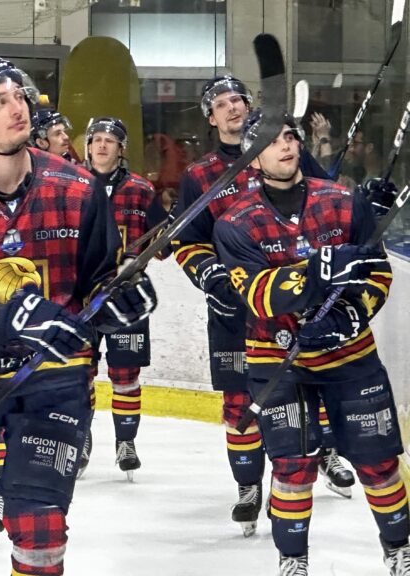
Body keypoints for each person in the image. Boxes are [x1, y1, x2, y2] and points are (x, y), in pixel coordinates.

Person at [0, 57, 156, 575]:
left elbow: (98, 280)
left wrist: (122, 297)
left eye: (19, 95)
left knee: (39, 531)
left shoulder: (80, 189)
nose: (17, 107)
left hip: (51, 381)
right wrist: (15, 319)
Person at [214, 109, 409, 575]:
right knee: (292, 469)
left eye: (288, 136)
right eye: (269, 141)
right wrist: (317, 271)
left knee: (379, 464)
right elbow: (258, 297)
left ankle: (399, 550)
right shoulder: (235, 222)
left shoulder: (343, 200)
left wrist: (353, 311)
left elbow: (376, 270)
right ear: (252, 158)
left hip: (351, 356)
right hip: (279, 360)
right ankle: (293, 560)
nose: (284, 145)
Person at [172, 75, 353, 538]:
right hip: (236, 314)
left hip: (294, 309)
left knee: (307, 396)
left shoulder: (284, 147)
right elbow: (188, 243)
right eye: (222, 103)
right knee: (240, 405)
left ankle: (314, 461)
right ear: (210, 118)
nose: (233, 107)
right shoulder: (200, 175)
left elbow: (327, 203)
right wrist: (209, 274)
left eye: (239, 99)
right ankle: (248, 485)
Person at [84, 116, 166, 480]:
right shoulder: (71, 185)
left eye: (110, 140)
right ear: (87, 146)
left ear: (122, 148)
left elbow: (164, 245)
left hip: (127, 297)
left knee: (125, 373)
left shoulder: (141, 190)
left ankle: (126, 442)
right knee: (78, 374)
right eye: (96, 139)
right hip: (82, 296)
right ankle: (80, 438)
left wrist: (142, 255)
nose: (102, 145)